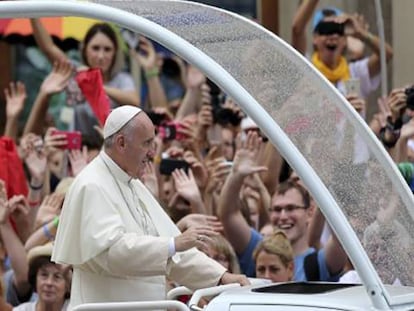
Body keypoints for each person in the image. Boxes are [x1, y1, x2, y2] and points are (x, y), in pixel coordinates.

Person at [52, 106, 249, 309]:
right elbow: (112, 252)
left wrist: (221, 277)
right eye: (146, 143)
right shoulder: (92, 184)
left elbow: (176, 254)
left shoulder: (133, 183)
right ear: (121, 143)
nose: (152, 153)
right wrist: (172, 244)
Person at [218, 131, 346, 281]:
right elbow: (228, 215)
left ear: (310, 212)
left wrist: (328, 185)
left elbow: (342, 240)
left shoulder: (318, 264)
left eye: (291, 208)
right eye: (277, 210)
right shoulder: (259, 250)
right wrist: (236, 175)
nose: (283, 216)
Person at [13, 243, 71, 311]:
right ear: (35, 279)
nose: (49, 283)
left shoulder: (76, 309)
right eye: (44, 275)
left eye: (57, 277)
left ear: (68, 284)